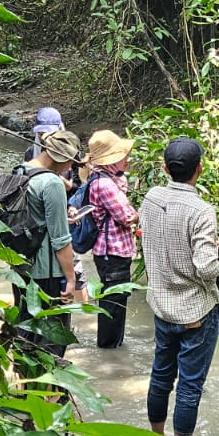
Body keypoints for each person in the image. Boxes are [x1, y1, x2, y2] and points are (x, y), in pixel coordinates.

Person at [139, 137, 219, 436]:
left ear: (165, 168)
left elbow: (154, 237)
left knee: (161, 376)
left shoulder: (151, 198)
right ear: (200, 170)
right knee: (190, 387)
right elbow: (206, 269)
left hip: (162, 306)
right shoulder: (202, 210)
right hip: (195, 311)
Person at [12, 129, 88, 359]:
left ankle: (22, 386)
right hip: (48, 275)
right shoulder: (52, 183)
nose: (70, 168)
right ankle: (48, 392)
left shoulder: (21, 171)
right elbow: (61, 240)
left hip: (21, 267)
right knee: (51, 341)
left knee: (24, 333)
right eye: (70, 163)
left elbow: (33, 217)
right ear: (62, 158)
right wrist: (71, 279)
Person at [84, 129, 137, 349]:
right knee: (113, 303)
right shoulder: (105, 184)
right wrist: (140, 214)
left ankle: (113, 346)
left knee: (116, 300)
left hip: (111, 251)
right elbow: (127, 216)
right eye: (123, 156)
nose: (127, 159)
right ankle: (109, 349)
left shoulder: (103, 178)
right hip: (112, 252)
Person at [25, 107, 80, 192]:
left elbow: (80, 188)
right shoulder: (30, 153)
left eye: (49, 133)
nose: (44, 138)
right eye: (41, 134)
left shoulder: (72, 152)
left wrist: (67, 184)